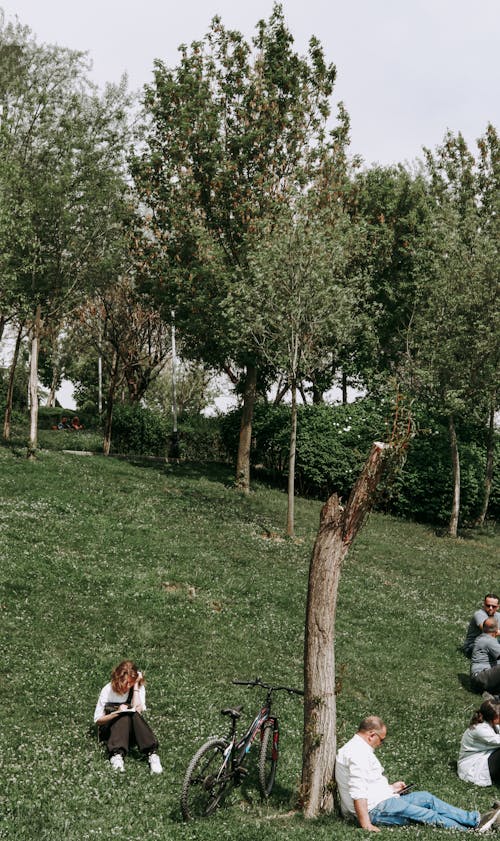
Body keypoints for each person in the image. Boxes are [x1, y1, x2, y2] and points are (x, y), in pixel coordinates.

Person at [335, 715, 500, 832]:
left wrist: (391, 788)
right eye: (382, 740)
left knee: (427, 798)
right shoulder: (357, 753)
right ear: (371, 735)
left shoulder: (359, 748)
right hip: (375, 809)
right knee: (426, 814)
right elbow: (358, 792)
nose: (381, 743)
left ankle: (475, 819)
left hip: (383, 799)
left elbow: (368, 783)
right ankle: (470, 830)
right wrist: (366, 824)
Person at [94, 660, 163, 774]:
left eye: (130, 683)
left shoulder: (136, 688)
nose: (127, 686)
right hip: (110, 732)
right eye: (125, 682)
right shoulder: (108, 690)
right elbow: (98, 720)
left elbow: (139, 711)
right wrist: (116, 713)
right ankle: (116, 755)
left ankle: (152, 754)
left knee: (132, 713)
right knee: (123, 716)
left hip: (130, 732)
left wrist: (136, 686)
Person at [458, 699, 500, 787]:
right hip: (473, 766)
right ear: (494, 717)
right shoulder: (480, 729)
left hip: (484, 757)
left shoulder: (492, 725)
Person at [471, 618, 500, 694]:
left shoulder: (482, 638)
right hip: (480, 679)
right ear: (497, 630)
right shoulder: (489, 641)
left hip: (479, 681)